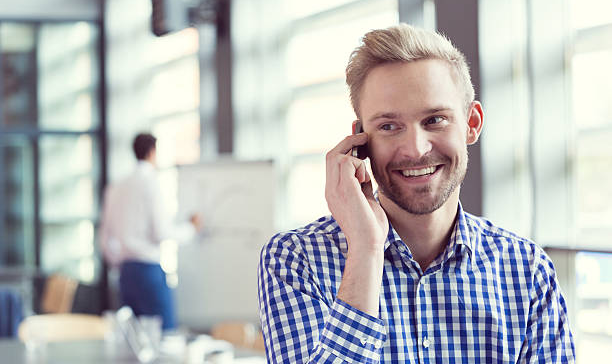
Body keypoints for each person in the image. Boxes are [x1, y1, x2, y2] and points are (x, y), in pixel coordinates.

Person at [258, 24, 574, 363]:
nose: (415, 149)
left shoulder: (526, 270)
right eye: (389, 126)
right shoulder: (295, 260)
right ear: (360, 139)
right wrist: (366, 249)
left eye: (435, 119)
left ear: (472, 123)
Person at [99, 133, 202, 330]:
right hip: (149, 271)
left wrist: (119, 262)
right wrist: (191, 229)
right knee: (165, 336)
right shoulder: (150, 182)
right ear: (152, 152)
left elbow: (104, 238)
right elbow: (161, 232)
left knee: (134, 341)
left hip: (125, 272)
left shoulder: (117, 186)